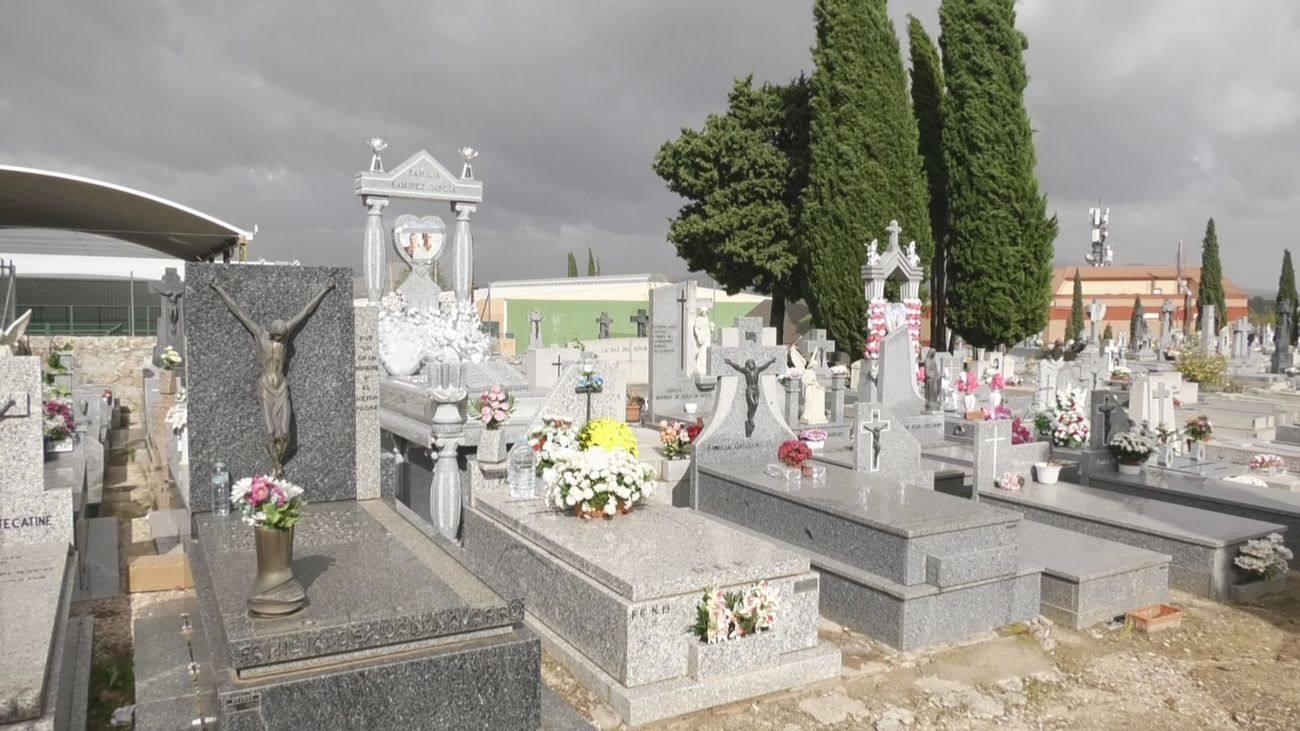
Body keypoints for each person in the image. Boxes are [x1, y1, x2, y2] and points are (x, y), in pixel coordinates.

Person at [211, 278, 336, 478]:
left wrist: (324, 289)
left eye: (282, 336)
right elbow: (238, 311)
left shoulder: (285, 334)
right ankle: (277, 464)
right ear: (270, 332)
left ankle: (278, 456)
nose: (279, 339)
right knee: (270, 431)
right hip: (265, 388)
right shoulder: (259, 334)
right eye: (277, 336)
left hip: (281, 387)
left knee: (284, 433)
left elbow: (305, 312)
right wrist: (219, 288)